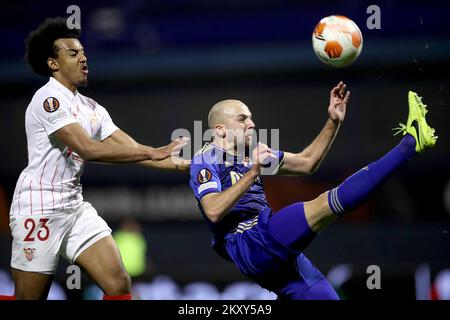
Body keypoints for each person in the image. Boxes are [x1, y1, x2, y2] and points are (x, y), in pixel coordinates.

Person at [189, 82, 437, 300]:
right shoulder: (206, 159)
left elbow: (308, 162)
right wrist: (254, 172)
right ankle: (411, 142)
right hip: (249, 240)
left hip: (271, 247)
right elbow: (213, 210)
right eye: (242, 119)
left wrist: (332, 121)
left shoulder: (252, 155)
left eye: (251, 117)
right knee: (325, 203)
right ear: (220, 129)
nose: (252, 124)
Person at [6, 17, 189, 300]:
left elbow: (134, 150)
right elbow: (87, 149)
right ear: (53, 63)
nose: (83, 58)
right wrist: (153, 151)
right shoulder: (48, 99)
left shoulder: (92, 108)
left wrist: (185, 165)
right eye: (73, 53)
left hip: (74, 206)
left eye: (83, 52)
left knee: (118, 283)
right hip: (37, 208)